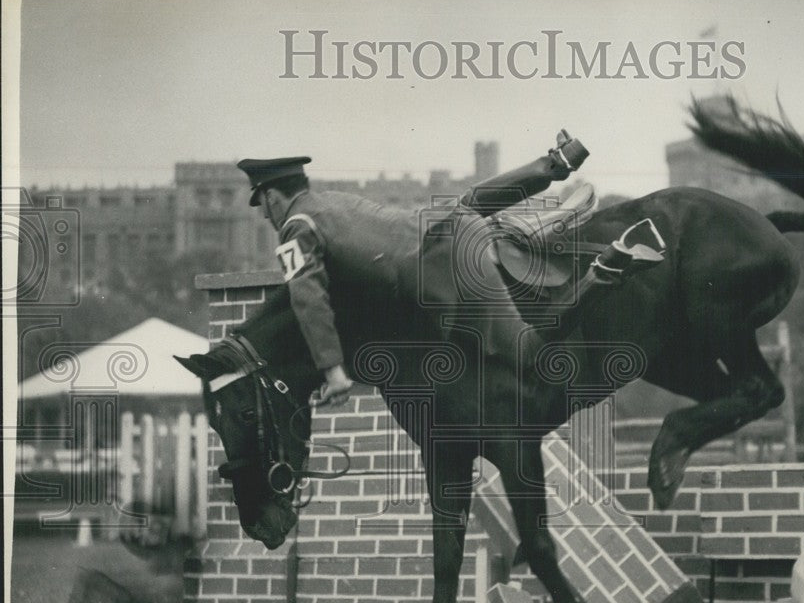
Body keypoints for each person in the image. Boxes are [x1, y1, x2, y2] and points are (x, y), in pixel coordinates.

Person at [237, 133, 663, 405]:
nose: (265, 215)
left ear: (272, 197)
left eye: (262, 205)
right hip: (444, 223)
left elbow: (308, 299)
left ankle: (605, 268)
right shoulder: (331, 203)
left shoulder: (296, 227)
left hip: (445, 262)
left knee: (529, 352)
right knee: (467, 202)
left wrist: (333, 372)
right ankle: (553, 164)